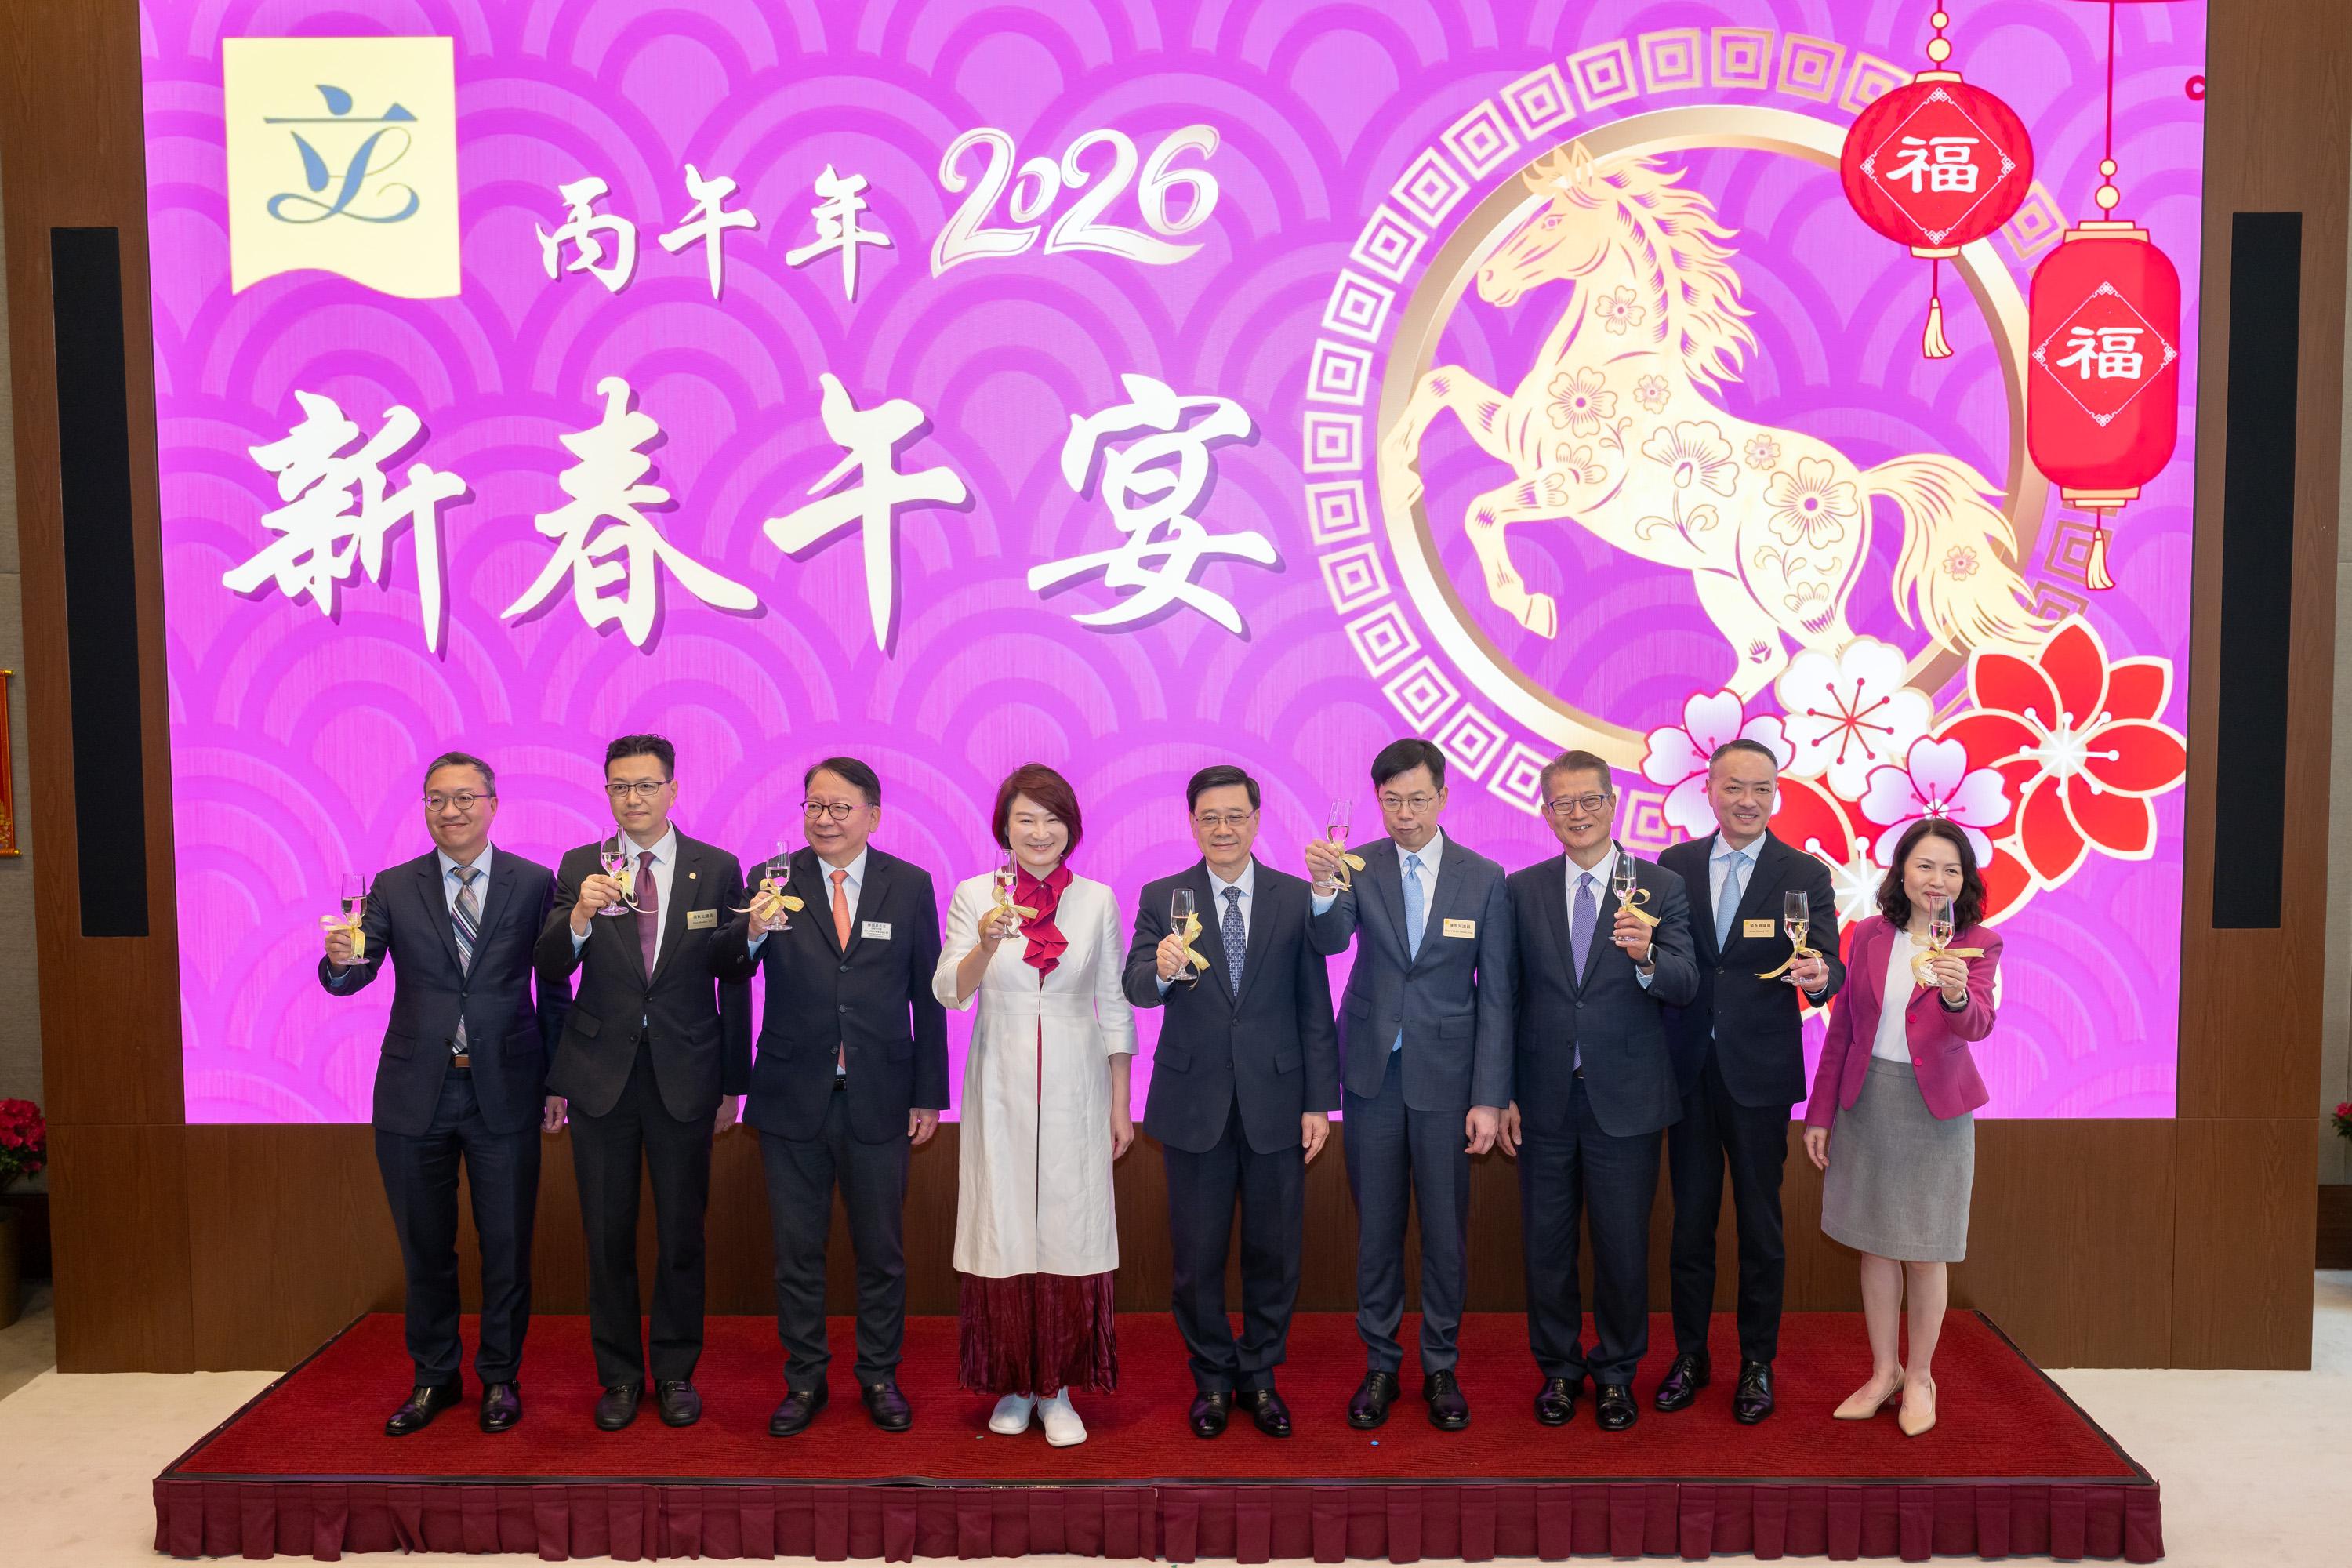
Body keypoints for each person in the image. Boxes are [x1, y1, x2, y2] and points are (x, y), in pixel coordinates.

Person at [320, 751, 567, 1436]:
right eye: (436, 799)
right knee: (425, 1247)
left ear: (492, 805)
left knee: (506, 1245)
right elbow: (355, 970)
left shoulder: (533, 883)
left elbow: (554, 985)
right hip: (414, 1091)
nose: (449, 811)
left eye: (463, 798)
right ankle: (434, 1376)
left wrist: (556, 1081)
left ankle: (500, 1377)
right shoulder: (395, 886)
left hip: (507, 1089)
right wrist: (338, 963)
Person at [718, 757, 947, 1438]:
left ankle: (879, 1375)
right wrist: (752, 930)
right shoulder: (771, 878)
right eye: (814, 806)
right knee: (797, 1253)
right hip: (791, 1095)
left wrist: (928, 1093)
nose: (824, 819)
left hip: (881, 1092)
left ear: (873, 815)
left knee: (882, 1251)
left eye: (840, 808)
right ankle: (805, 1379)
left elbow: (928, 995)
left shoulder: (909, 884)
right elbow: (728, 969)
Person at [535, 734, 749, 1432]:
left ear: (672, 790)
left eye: (646, 785)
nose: (633, 799)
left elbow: (734, 976)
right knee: (607, 1234)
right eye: (620, 787)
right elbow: (548, 967)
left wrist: (733, 1081)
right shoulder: (580, 865)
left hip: (687, 1072)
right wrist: (578, 916)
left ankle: (678, 1370)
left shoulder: (717, 868)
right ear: (607, 793)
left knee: (682, 1232)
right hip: (601, 1076)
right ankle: (621, 1375)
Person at [1125, 764, 1340, 1439]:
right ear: (1192, 824)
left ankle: (1261, 1373)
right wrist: (1161, 971)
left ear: (1256, 819)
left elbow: (1314, 1006)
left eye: (1235, 816)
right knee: (1197, 1258)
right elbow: (1136, 985)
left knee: (1275, 1253)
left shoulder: (1292, 896)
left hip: (1278, 1099)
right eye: (1209, 818)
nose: (1223, 828)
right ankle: (1213, 1377)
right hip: (1194, 1104)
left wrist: (1319, 1102)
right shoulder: (1164, 896)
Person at [1305, 738, 1513, 1432]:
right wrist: (1324, 888)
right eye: (1391, 801)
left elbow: (1497, 995)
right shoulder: (1357, 864)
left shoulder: (1484, 877)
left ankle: (1442, 1364)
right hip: (1373, 1074)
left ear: (1444, 797)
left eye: (1418, 799)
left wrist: (1489, 1096)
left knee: (1446, 1232)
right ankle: (1381, 1364)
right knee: (1378, 1229)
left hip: (1450, 1080)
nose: (1404, 814)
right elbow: (1331, 942)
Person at [934, 764, 1137, 1448]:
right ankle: (1015, 1384)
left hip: (1079, 1079)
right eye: (1025, 819)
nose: (1039, 832)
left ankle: (1059, 1390)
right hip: (1000, 1077)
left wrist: (1120, 1101)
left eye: (1052, 819)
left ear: (1071, 827)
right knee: (1006, 1228)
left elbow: (1113, 1002)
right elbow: (949, 991)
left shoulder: (1097, 900)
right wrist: (987, 942)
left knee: (1071, 1230)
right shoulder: (974, 896)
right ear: (1005, 828)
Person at [1500, 750, 1697, 1432]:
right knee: (1546, 1248)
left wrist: (1647, 956)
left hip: (1628, 1100)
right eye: (1563, 803)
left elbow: (1685, 983)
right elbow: (1505, 996)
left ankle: (1616, 1373)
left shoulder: (1661, 886)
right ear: (1546, 812)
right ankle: (1558, 1370)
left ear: (1613, 805)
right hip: (1543, 1100)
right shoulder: (1521, 889)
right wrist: (1501, 1092)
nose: (1578, 814)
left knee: (1621, 1248)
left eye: (1590, 800)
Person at [1655, 739, 1844, 1425]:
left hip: (1759, 1073)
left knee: (1761, 1226)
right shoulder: (1673, 865)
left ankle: (1758, 1362)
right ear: (1708, 790)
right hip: (1686, 1069)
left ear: (1776, 796)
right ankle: (1691, 1355)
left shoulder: (1803, 871)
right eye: (1734, 787)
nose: (1748, 801)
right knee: (1690, 1225)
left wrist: (1820, 977)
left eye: (1762, 789)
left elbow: (1828, 961)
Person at [1802, 817, 2000, 1439]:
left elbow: (1979, 1025)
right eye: (1925, 866)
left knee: (1925, 1249)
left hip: (1935, 1113)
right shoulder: (1867, 935)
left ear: (1964, 880)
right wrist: (1820, 1113)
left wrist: (1956, 995)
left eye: (1951, 870)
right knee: (1875, 1244)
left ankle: (1920, 1376)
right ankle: (1883, 1371)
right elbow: (1843, 1031)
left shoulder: (1978, 943)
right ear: (1902, 872)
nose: (1937, 880)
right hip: (1867, 1103)